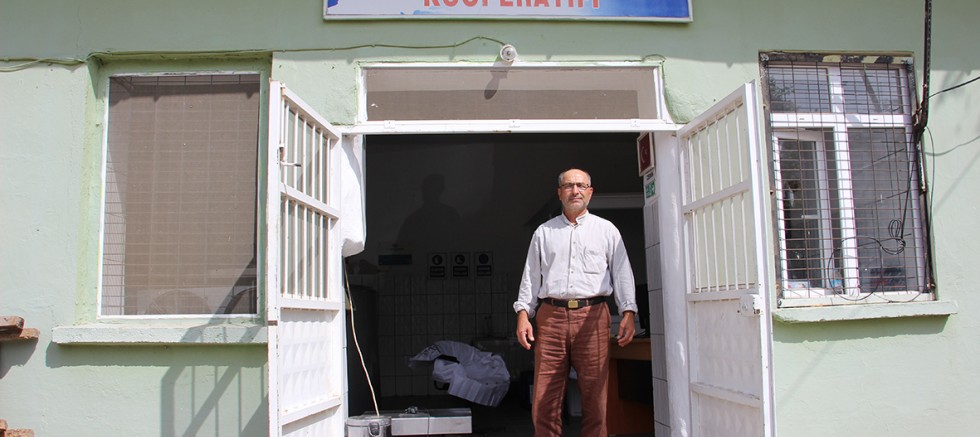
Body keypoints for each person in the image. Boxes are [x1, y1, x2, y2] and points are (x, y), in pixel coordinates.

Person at [513, 168, 638, 437]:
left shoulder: (606, 230)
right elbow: (531, 276)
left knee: (595, 399)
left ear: (590, 192)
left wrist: (628, 311)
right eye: (569, 186)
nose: (575, 191)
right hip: (551, 317)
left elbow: (622, 272)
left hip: (593, 316)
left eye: (581, 186)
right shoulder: (544, 232)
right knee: (544, 401)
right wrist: (523, 313)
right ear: (559, 193)